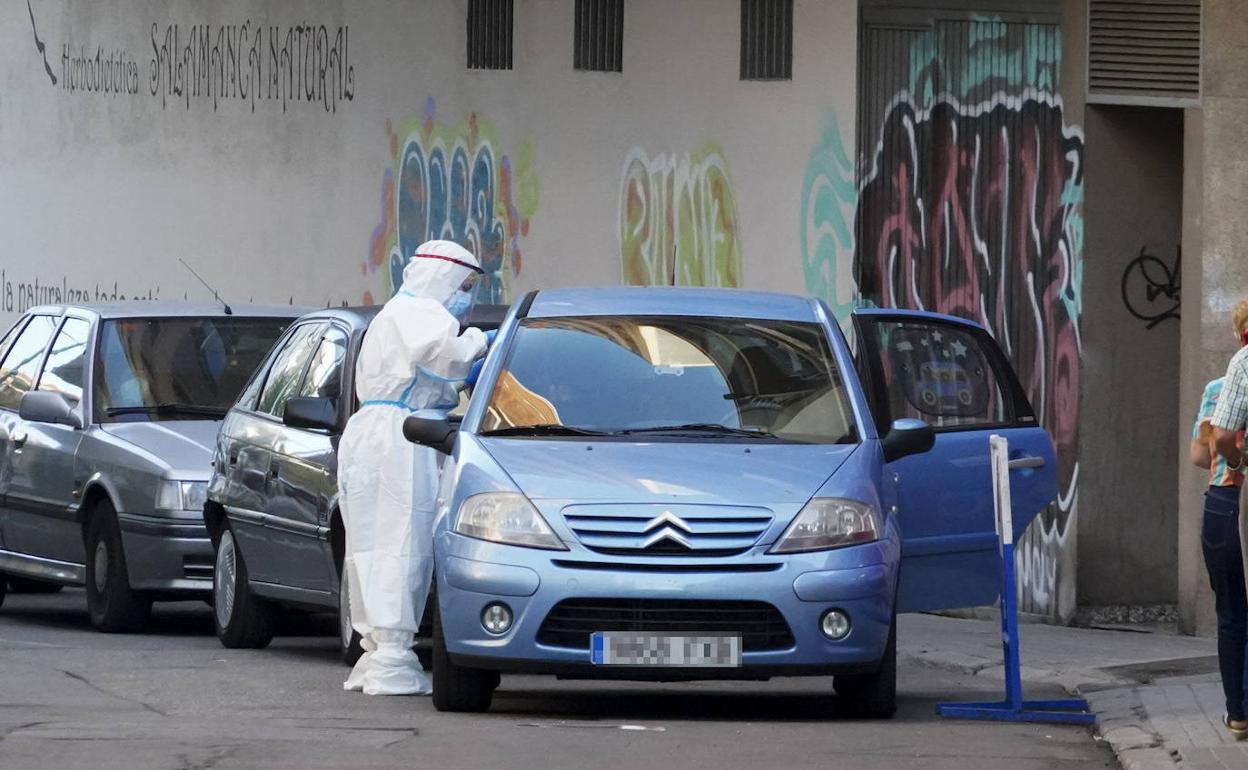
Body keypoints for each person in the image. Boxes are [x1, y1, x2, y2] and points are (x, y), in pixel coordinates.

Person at [338, 240, 488, 695]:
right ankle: (394, 658)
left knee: (366, 546)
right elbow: (451, 361)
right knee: (403, 541)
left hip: (366, 435)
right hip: (407, 435)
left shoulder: (389, 315)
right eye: (463, 285)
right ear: (444, 277)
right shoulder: (426, 315)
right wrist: (480, 343)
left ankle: (375, 649)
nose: (465, 296)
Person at [1206, 298, 1248, 737]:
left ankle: (1239, 712)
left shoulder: (1242, 364)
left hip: (1229, 499)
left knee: (1233, 609)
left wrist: (1237, 463)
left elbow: (1216, 440)